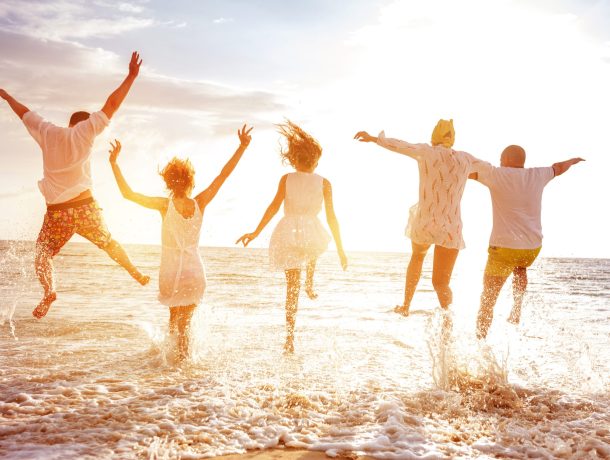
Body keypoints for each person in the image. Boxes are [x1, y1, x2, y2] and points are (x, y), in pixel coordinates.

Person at [0, 51, 149, 319]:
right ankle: (134, 271)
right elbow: (112, 103)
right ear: (84, 125)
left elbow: (23, 112)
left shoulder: (47, 132)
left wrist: (6, 95)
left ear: (70, 123)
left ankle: (49, 292)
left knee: (42, 255)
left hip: (58, 213)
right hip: (85, 207)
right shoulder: (86, 132)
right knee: (109, 243)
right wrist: (131, 76)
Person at [109, 125, 253, 361]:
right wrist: (242, 147)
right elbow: (223, 176)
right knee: (185, 323)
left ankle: (174, 369)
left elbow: (128, 194)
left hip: (171, 270)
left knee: (174, 321)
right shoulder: (201, 202)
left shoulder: (164, 205)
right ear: (191, 181)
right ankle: (180, 373)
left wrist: (114, 164)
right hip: (194, 270)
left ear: (168, 182)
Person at [237, 121, 347, 353]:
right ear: (316, 160)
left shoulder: (287, 178)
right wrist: (340, 249)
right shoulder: (324, 182)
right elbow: (332, 218)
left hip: (288, 231)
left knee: (290, 288)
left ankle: (289, 336)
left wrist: (256, 232)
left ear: (294, 158)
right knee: (313, 247)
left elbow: (273, 207)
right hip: (310, 230)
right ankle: (310, 282)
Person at [354, 119, 484, 316]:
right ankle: (447, 318)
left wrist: (373, 138)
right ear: (453, 137)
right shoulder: (465, 159)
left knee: (417, 257)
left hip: (425, 221)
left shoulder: (426, 151)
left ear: (434, 137)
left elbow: (400, 145)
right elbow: (490, 170)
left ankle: (406, 305)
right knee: (441, 283)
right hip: (450, 227)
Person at [469, 145, 584, 339]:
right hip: (532, 248)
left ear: (504, 159)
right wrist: (572, 161)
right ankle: (516, 308)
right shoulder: (537, 174)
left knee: (488, 299)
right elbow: (558, 167)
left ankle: (480, 340)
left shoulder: (497, 174)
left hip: (503, 249)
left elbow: (470, 174)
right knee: (520, 267)